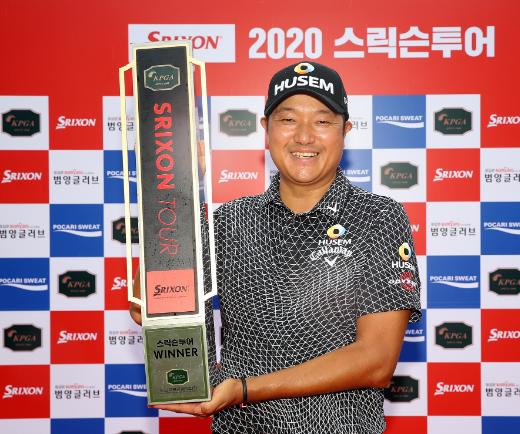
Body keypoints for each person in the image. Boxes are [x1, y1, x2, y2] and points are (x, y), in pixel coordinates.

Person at [131, 61, 421, 433]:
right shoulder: (229, 220)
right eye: (288, 120)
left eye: (322, 121)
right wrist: (175, 190)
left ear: (345, 131)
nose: (304, 136)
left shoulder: (377, 217)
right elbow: (152, 307)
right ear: (266, 129)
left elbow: (376, 361)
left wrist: (245, 390)